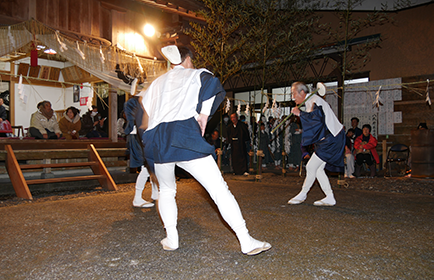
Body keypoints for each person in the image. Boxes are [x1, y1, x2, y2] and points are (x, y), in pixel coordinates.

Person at [140, 45, 271, 255]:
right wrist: (203, 113)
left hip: (157, 138)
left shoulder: (156, 83)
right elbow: (212, 84)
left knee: (166, 190)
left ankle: (172, 238)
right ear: (188, 59)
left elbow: (145, 111)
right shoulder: (197, 73)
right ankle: (245, 240)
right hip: (183, 132)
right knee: (218, 189)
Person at [287, 82, 345, 206]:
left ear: (302, 92)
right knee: (318, 169)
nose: (293, 97)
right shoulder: (312, 101)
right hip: (330, 138)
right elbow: (314, 122)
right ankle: (329, 197)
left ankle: (303, 194)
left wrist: (300, 114)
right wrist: (302, 114)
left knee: (310, 167)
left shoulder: (315, 101)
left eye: (293, 94)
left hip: (331, 138)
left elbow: (316, 120)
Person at [124, 96, 158, 208]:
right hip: (138, 136)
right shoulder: (136, 101)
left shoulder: (139, 100)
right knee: (148, 166)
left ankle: (155, 193)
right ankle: (137, 198)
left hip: (141, 135)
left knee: (152, 164)